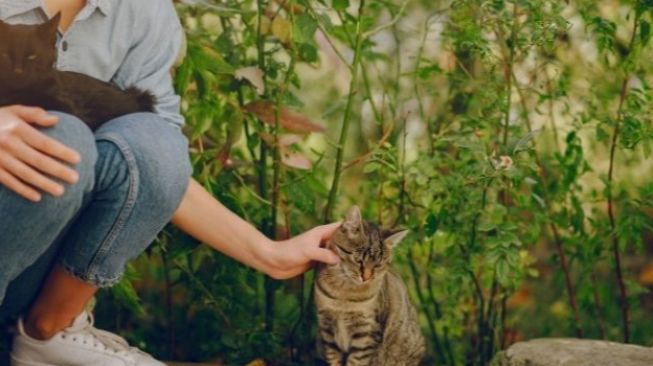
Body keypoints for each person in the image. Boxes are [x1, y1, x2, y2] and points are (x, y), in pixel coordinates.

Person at [0, 1, 340, 365]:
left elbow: (154, 166)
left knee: (152, 138)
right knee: (60, 134)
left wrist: (271, 254)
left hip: (28, 271)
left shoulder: (142, 11)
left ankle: (46, 333)